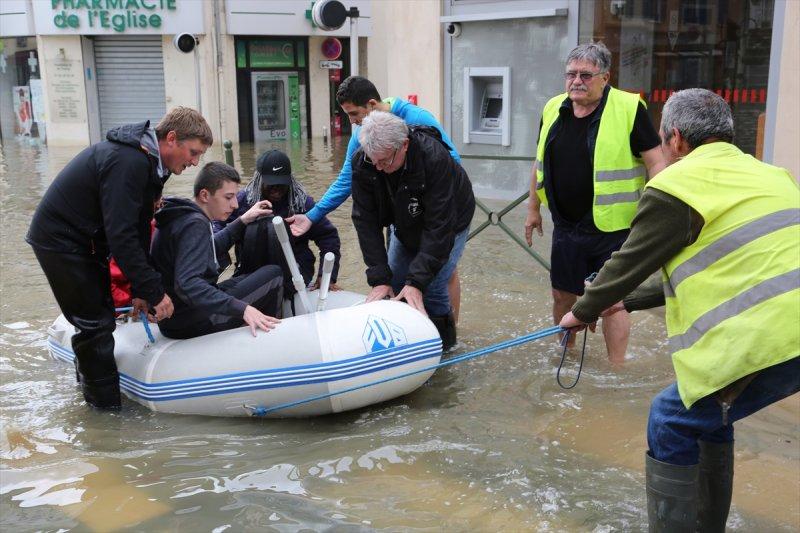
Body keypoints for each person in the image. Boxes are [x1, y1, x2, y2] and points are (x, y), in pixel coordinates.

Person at [559, 88, 799, 531]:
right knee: (708, 417)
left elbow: (629, 260)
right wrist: (623, 301)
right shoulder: (772, 175)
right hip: (791, 329)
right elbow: (724, 261)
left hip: (775, 337)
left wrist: (583, 310)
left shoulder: (676, 185)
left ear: (675, 139)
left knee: (670, 417)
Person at [26, 107, 212, 410]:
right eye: (193, 152)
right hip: (61, 240)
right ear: (172, 139)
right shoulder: (129, 162)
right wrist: (155, 291)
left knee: (99, 320)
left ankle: (91, 394)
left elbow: (139, 227)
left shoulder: (149, 163)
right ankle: (105, 418)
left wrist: (140, 291)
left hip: (86, 240)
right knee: (96, 326)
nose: (194, 162)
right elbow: (121, 236)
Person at [524, 42, 665, 363]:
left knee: (610, 301)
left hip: (613, 227)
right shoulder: (552, 108)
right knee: (562, 294)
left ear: (605, 77)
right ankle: (566, 354)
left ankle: (615, 368)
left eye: (586, 75)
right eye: (571, 74)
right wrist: (533, 208)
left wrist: (654, 211)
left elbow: (656, 162)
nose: (577, 81)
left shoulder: (630, 108)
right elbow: (538, 161)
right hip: (566, 226)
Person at [286, 76, 465, 322]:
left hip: (442, 208)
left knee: (438, 277)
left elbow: (452, 165)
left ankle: (449, 334)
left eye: (354, 113)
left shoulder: (418, 119)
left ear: (371, 104)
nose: (352, 122)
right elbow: (348, 181)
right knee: (397, 277)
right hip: (399, 212)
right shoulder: (362, 134)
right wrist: (312, 216)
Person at [351, 111, 475, 350]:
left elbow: (439, 227)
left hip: (452, 218)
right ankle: (403, 349)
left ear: (404, 145)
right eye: (373, 160)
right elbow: (365, 221)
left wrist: (417, 282)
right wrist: (379, 278)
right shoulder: (365, 162)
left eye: (384, 161)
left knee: (432, 286)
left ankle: (446, 351)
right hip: (404, 218)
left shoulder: (434, 158)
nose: (377, 167)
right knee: (395, 281)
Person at [151, 162, 283, 340]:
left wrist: (243, 220)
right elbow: (187, 284)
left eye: (236, 196)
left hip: (178, 316)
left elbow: (208, 249)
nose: (235, 204)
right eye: (229, 197)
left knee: (253, 275)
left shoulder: (183, 215)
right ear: (205, 195)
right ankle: (272, 338)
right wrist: (243, 309)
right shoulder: (195, 224)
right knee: (274, 275)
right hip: (190, 322)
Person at [214, 150, 342, 295]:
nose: (276, 189)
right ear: (259, 179)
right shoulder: (241, 201)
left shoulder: (302, 203)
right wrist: (240, 224)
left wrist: (325, 277)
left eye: (281, 184)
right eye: (271, 184)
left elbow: (328, 237)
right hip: (250, 270)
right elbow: (217, 228)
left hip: (295, 270)